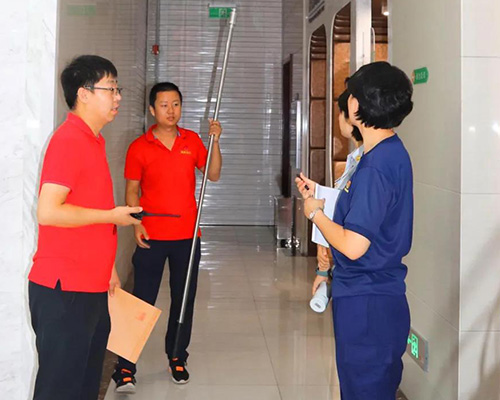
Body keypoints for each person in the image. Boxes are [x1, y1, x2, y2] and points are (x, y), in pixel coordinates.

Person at [28, 55, 143, 400]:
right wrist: (112, 217)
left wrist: (109, 269)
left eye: (118, 89)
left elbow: (90, 207)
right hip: (64, 290)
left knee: (84, 384)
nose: (118, 97)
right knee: (60, 389)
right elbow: (49, 211)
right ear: (84, 94)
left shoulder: (94, 140)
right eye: (111, 88)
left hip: (91, 284)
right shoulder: (69, 140)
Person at [297, 61, 414, 399]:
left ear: (358, 104)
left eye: (351, 94)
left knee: (364, 389)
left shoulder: (375, 167)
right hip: (378, 295)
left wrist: (315, 213)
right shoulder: (390, 152)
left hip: (367, 302)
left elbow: (353, 245)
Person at [112, 82, 223, 392]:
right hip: (151, 234)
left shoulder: (192, 141)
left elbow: (213, 174)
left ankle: (177, 357)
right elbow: (132, 190)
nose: (171, 111)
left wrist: (215, 141)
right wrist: (136, 224)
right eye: (164, 105)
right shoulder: (139, 147)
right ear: (152, 109)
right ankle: (125, 367)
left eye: (175, 104)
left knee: (183, 299)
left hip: (187, 236)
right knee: (141, 300)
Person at [315, 89, 364, 291]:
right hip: (342, 263)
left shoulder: (368, 164)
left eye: (340, 112)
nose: (337, 119)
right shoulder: (354, 158)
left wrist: (314, 212)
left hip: (357, 272)